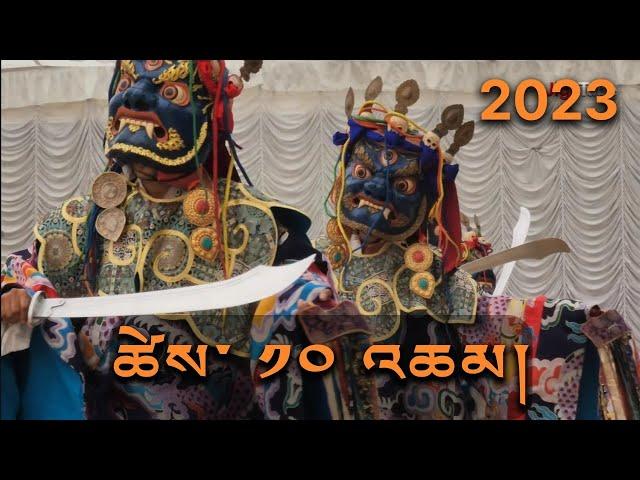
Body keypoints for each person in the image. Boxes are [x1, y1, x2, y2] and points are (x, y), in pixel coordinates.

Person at [1, 60, 376, 420]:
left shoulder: (252, 222)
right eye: (127, 84)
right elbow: (23, 269)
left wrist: (311, 304)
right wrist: (17, 292)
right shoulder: (81, 222)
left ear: (211, 112)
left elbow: (305, 286)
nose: (135, 99)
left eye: (170, 90)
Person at [316, 76, 640, 419]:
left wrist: (576, 319)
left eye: (402, 183)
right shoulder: (320, 275)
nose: (374, 187)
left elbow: (504, 323)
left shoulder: (442, 289)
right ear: (342, 175)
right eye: (363, 170)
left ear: (427, 203)